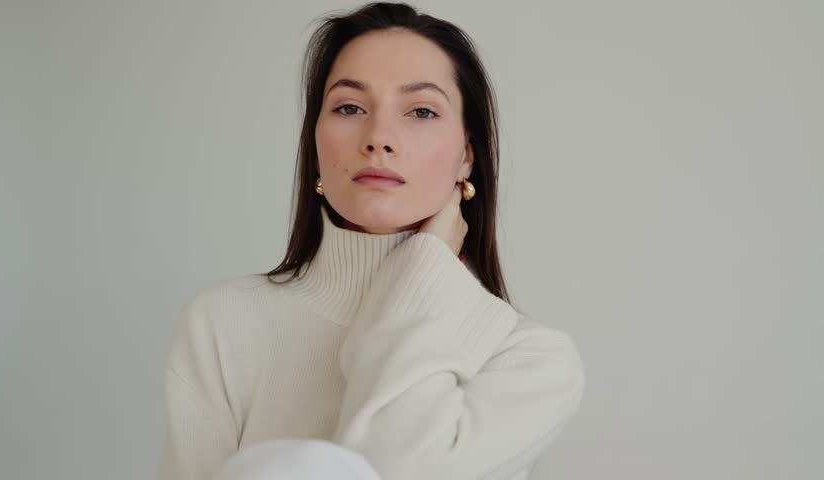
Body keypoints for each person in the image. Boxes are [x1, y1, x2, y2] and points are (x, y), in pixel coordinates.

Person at [156, 2, 586, 480]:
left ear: (467, 156)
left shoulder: (528, 358)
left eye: (421, 111)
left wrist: (425, 272)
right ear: (315, 145)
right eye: (349, 107)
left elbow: (390, 468)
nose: (379, 137)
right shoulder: (224, 323)